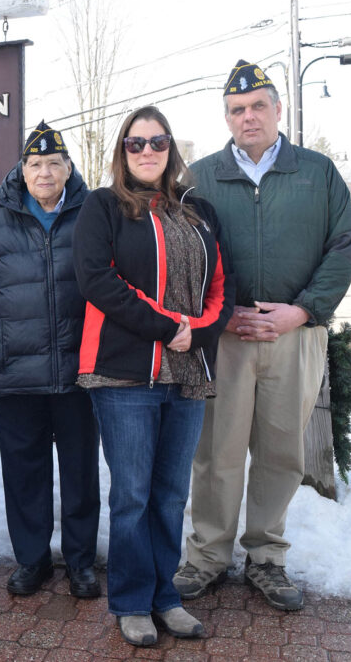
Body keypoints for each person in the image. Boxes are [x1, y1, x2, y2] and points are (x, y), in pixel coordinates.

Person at [175, 60, 351, 611]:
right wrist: (220, 314)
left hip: (293, 336)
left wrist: (301, 312)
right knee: (216, 451)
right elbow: (183, 258)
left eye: (258, 106)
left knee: (281, 451)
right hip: (224, 338)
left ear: (278, 109)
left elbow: (342, 246)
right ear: (226, 118)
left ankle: (267, 556)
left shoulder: (316, 172)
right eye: (237, 110)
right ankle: (207, 554)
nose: (248, 116)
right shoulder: (200, 178)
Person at [74, 106, 233, 646]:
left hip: (187, 372)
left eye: (157, 142)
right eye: (135, 143)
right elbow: (98, 280)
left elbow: (222, 285)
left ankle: (166, 596)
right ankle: (132, 600)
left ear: (171, 148)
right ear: (122, 151)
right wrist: (169, 327)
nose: (146, 152)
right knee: (134, 496)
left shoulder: (199, 210)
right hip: (125, 375)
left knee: (170, 494)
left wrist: (201, 330)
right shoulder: (103, 207)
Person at [0, 121, 101, 598]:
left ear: (68, 168)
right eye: (35, 164)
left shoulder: (94, 212)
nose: (44, 172)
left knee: (79, 470)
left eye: (53, 163)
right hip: (15, 370)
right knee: (24, 471)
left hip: (81, 369)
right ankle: (32, 561)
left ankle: (80, 562)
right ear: (22, 169)